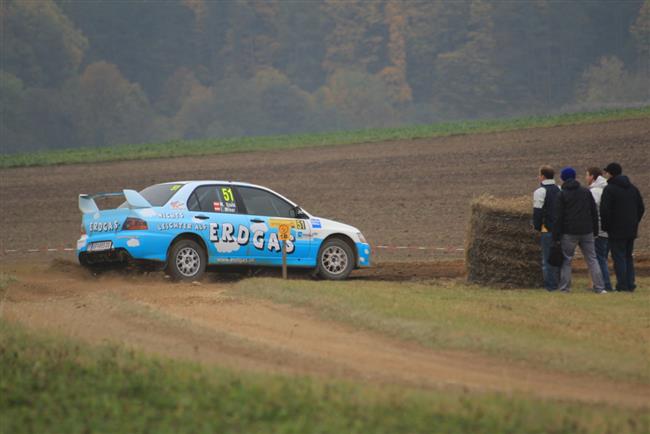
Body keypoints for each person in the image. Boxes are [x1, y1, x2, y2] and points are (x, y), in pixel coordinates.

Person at [553, 167, 605, 293]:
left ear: (563, 178)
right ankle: (600, 288)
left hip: (569, 232)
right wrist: (595, 230)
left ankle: (565, 288)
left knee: (567, 260)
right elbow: (593, 211)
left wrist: (556, 235)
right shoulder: (586, 192)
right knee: (592, 259)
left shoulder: (562, 194)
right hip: (587, 230)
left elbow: (558, 216)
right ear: (575, 177)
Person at [600, 163, 645, 292]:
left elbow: (605, 211)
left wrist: (606, 226)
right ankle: (631, 284)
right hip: (631, 229)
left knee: (618, 257)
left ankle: (622, 285)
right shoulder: (632, 188)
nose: (606, 174)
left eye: (607, 172)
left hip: (615, 230)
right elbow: (641, 208)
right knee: (628, 256)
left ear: (611, 173)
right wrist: (634, 221)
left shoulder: (609, 189)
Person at [533, 165, 560, 291]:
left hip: (547, 229)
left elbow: (537, 212)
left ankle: (550, 286)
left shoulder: (540, 191)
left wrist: (537, 227)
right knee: (559, 258)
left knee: (547, 259)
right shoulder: (560, 189)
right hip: (560, 230)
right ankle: (560, 284)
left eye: (539, 175)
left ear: (542, 176)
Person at [585, 167, 612, 291]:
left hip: (599, 230)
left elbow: (592, 211)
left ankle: (604, 285)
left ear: (592, 176)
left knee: (599, 259)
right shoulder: (607, 189)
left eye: (587, 175)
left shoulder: (595, 192)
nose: (586, 178)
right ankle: (599, 284)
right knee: (602, 258)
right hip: (607, 229)